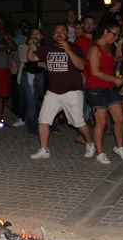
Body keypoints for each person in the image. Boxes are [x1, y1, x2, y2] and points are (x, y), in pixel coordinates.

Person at [28, 25, 94, 160]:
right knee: (43, 120)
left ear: (67, 35)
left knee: (78, 122)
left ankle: (90, 143)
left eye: (63, 31)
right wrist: (31, 46)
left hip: (72, 92)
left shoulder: (74, 47)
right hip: (53, 92)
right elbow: (32, 58)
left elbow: (81, 66)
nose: (60, 33)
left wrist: (68, 50)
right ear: (53, 35)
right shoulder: (47, 49)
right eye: (57, 31)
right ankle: (44, 149)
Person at [85, 20, 123, 164]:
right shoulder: (94, 48)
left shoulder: (109, 47)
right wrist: (114, 79)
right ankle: (100, 152)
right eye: (114, 34)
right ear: (106, 31)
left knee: (119, 119)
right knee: (101, 123)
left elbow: (113, 63)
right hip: (96, 89)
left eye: (117, 35)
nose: (115, 38)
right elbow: (95, 71)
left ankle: (119, 146)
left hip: (110, 88)